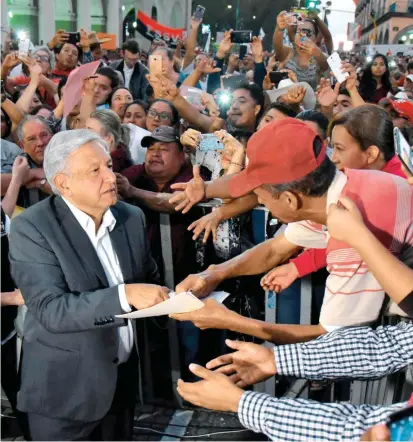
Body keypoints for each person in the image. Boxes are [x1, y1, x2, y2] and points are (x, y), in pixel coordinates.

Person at [170, 119, 413, 336]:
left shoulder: (355, 230)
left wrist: (228, 321)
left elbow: (331, 339)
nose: (259, 200)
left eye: (259, 194)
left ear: (289, 200)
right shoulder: (335, 189)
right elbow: (276, 249)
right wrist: (214, 274)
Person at [9, 129, 169, 441]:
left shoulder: (130, 217)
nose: (111, 178)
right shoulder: (32, 228)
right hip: (63, 396)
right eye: (95, 170)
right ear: (63, 183)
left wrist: (177, 298)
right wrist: (126, 295)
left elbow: (149, 279)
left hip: (119, 388)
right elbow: (52, 309)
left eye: (109, 165)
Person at [116, 126, 199, 284]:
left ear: (182, 156)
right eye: (150, 149)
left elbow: (177, 202)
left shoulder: (192, 175)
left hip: (190, 275)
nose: (155, 153)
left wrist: (133, 192)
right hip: (146, 277)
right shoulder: (134, 174)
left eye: (164, 149)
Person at [274, 11, 329, 90]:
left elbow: (324, 65)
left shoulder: (320, 56)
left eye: (308, 32)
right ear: (294, 35)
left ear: (316, 38)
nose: (303, 35)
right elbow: (278, 49)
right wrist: (278, 29)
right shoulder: (288, 52)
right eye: (300, 31)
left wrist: (317, 54)